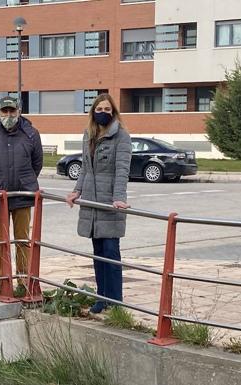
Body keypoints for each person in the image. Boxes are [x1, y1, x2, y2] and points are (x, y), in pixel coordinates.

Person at [65, 93, 132, 314]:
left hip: (110, 205)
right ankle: (101, 298)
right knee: (97, 253)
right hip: (91, 205)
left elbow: (122, 170)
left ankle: (116, 302)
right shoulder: (89, 135)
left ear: (113, 112)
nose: (103, 113)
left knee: (111, 252)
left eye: (107, 109)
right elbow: (85, 168)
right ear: (93, 111)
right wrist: (76, 191)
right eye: (99, 109)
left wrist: (119, 198)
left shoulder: (121, 136)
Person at [0, 96, 43, 294]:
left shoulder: (31, 133)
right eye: (4, 111)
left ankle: (24, 278)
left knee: (22, 239)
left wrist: (25, 180)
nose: (8, 115)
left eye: (12, 111)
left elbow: (37, 163)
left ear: (19, 111)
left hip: (23, 193)